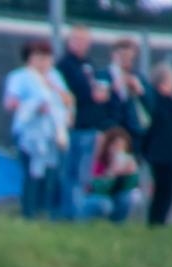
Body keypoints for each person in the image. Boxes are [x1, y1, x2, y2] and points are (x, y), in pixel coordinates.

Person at [4, 38, 71, 220]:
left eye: (46, 57)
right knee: (31, 174)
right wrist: (33, 107)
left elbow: (66, 100)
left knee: (51, 175)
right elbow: (11, 102)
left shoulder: (55, 77)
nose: (43, 61)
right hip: (29, 135)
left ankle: (46, 212)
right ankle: (29, 213)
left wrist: (53, 87)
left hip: (52, 135)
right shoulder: (20, 77)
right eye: (38, 56)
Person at [56, 25, 112, 220]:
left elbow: (99, 89)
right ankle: (68, 215)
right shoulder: (64, 66)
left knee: (83, 175)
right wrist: (91, 94)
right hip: (73, 128)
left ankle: (79, 214)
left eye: (83, 40)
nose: (79, 44)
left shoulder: (89, 65)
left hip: (90, 128)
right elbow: (70, 93)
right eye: (76, 39)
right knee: (70, 174)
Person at [140, 62, 172, 226]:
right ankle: (155, 222)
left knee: (168, 190)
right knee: (162, 189)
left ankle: (160, 222)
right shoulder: (154, 101)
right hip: (160, 154)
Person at [81, 126, 140, 223]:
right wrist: (111, 173)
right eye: (115, 146)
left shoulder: (127, 163)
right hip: (98, 198)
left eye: (122, 147)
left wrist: (132, 174)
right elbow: (92, 188)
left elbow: (132, 187)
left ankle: (118, 225)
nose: (118, 150)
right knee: (105, 204)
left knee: (128, 198)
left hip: (115, 199)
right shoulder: (98, 162)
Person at [99, 37, 152, 141]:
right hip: (111, 131)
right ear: (114, 55)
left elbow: (151, 104)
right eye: (123, 57)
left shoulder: (137, 77)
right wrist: (114, 88)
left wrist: (139, 90)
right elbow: (99, 102)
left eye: (130, 58)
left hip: (133, 131)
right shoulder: (103, 76)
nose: (127, 61)